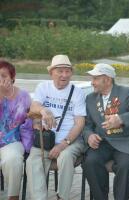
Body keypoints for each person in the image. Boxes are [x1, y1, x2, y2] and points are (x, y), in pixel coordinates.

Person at [26, 55, 86, 200]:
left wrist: (62, 145)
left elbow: (80, 123)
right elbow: (34, 106)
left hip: (70, 140)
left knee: (65, 157)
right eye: (60, 71)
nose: (64, 75)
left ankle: (62, 197)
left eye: (68, 71)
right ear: (51, 73)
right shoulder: (43, 87)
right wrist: (43, 111)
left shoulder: (77, 93)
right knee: (33, 161)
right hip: (46, 139)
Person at [82, 63, 129, 200]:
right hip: (102, 142)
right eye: (92, 79)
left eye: (96, 79)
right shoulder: (90, 98)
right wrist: (89, 136)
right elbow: (87, 125)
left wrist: (120, 119)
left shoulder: (126, 92)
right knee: (90, 162)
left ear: (108, 79)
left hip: (125, 141)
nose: (92, 83)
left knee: (126, 165)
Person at [0, 60, 33, 200]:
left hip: (12, 140)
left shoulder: (24, 96)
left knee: (13, 159)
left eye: (3, 75)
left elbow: (31, 116)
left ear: (12, 77)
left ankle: (13, 197)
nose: (0, 79)